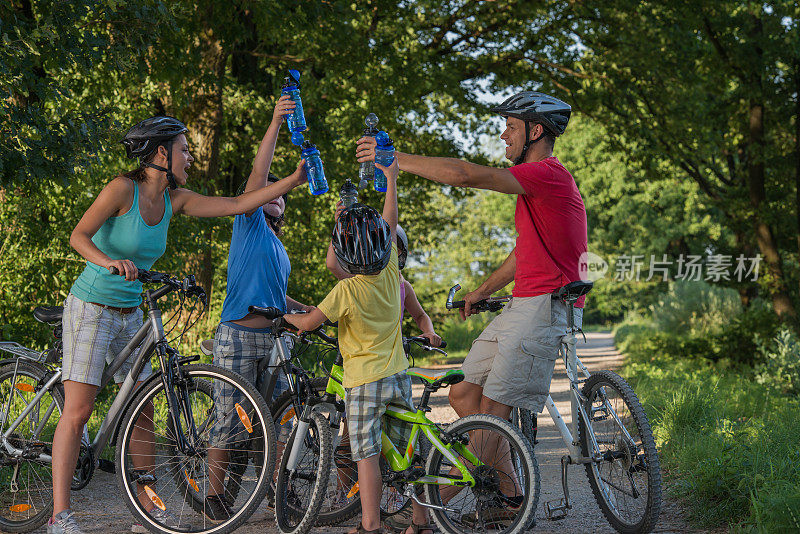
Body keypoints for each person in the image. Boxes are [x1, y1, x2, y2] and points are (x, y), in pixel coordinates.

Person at [49, 115, 308, 534]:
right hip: (92, 305)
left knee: (143, 408)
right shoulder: (122, 189)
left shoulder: (176, 199)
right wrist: (108, 261)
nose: (191, 155)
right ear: (161, 153)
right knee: (78, 410)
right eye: (184, 149)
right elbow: (79, 236)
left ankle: (147, 506)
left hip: (132, 310)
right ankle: (61, 515)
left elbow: (238, 204)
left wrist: (293, 181)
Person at [356, 91, 587, 518]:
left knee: (494, 410)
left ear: (535, 131)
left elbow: (463, 175)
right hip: (520, 304)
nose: (503, 135)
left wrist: (394, 158)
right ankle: (508, 497)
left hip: (543, 307)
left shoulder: (547, 174)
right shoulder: (535, 188)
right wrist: (482, 290)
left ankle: (428, 510)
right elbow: (525, 253)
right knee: (464, 393)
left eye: (511, 128)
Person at [284, 159, 433, 534]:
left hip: (364, 383)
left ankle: (370, 525)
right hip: (398, 376)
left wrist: (280, 316)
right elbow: (390, 220)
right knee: (405, 453)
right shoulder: (391, 274)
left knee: (365, 454)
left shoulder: (346, 290)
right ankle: (421, 521)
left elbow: (306, 323)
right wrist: (392, 181)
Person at [204, 95, 312, 520]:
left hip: (274, 339)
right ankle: (214, 494)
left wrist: (313, 309)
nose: (277, 198)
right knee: (228, 419)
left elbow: (278, 297)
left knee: (280, 421)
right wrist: (275, 123)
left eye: (282, 198)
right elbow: (258, 175)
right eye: (270, 194)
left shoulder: (277, 248)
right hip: (238, 333)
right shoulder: (247, 223)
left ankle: (278, 491)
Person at [326, 220, 441, 347]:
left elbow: (420, 316)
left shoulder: (402, 286)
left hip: (393, 358)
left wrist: (430, 332)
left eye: (388, 249)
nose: (382, 254)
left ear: (399, 252)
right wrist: (340, 225)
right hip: (360, 357)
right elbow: (333, 265)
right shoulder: (358, 280)